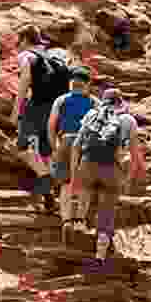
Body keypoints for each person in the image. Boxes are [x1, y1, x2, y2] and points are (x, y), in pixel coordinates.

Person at [71, 87, 139, 262]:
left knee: (85, 189)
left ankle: (79, 221)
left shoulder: (92, 115)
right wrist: (128, 177)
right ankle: (101, 251)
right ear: (120, 103)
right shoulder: (128, 121)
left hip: (88, 164)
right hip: (112, 169)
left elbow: (77, 146)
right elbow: (133, 153)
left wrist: (75, 173)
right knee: (107, 209)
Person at [11, 24, 70, 213]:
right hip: (56, 109)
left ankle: (46, 178)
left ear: (25, 40)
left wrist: (16, 110)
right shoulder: (53, 56)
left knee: (21, 149)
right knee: (44, 154)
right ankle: (49, 199)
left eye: (17, 41)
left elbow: (25, 81)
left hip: (36, 107)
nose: (16, 46)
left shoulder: (26, 56)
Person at [47, 66, 97, 240]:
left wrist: (54, 147)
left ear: (72, 82)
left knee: (66, 183)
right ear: (87, 84)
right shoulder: (94, 102)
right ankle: (80, 220)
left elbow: (51, 125)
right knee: (86, 184)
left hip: (66, 142)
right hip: (87, 144)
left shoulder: (61, 100)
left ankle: (66, 219)